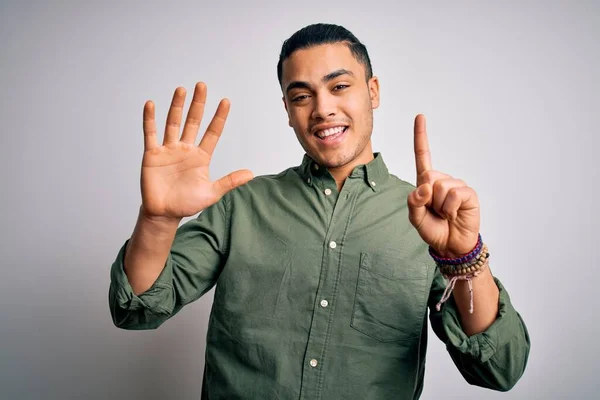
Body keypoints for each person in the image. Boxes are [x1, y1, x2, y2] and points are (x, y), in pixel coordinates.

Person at [109, 23, 530, 399]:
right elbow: (136, 308)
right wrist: (158, 221)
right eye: (301, 96)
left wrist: (465, 261)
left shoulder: (428, 217)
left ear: (373, 91)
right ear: (288, 112)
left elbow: (498, 369)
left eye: (340, 86)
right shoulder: (243, 204)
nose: (323, 108)